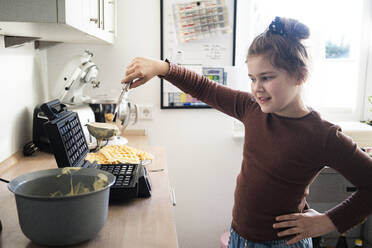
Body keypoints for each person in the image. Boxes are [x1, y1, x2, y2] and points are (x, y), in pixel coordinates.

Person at [121, 17, 372, 248]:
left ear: (300, 75)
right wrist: (162, 68)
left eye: (266, 77)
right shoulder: (252, 109)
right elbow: (204, 88)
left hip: (283, 244)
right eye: (252, 78)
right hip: (238, 236)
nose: (257, 89)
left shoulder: (323, 135)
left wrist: (328, 222)